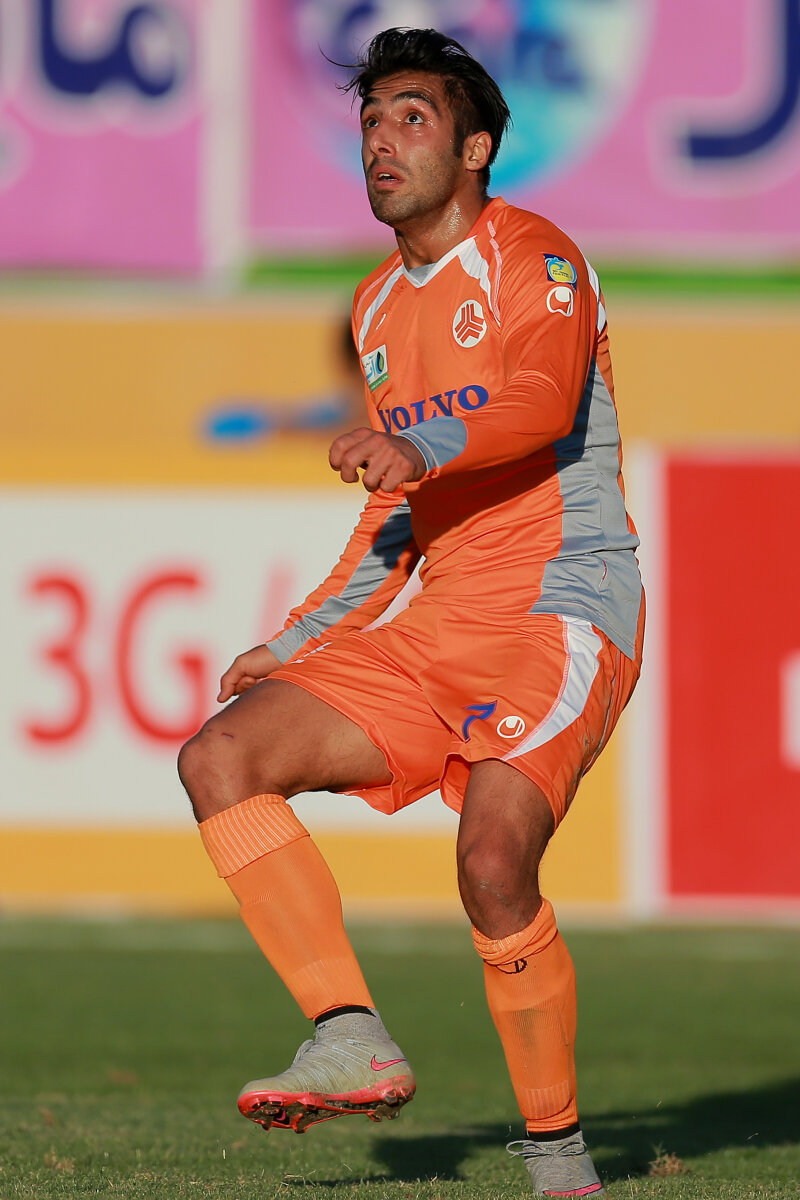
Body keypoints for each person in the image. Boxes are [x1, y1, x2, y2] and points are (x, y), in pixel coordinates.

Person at [178, 27, 644, 1197]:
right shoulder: (377, 306)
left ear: (476, 148)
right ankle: (349, 1035)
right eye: (371, 121)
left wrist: (421, 444)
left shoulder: (535, 255)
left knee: (490, 862)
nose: (381, 142)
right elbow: (397, 505)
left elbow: (538, 401)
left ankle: (557, 1158)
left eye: (413, 119)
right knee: (221, 757)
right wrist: (295, 639)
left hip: (557, 603)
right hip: (440, 619)